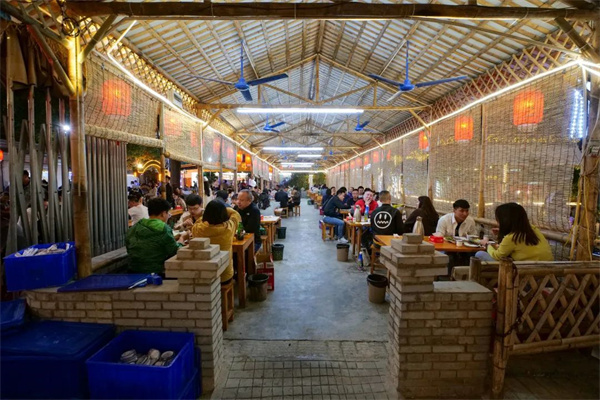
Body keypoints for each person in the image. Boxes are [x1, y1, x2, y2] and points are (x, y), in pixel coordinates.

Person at [126, 198, 187, 275]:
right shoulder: (163, 228)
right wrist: (182, 239)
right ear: (163, 214)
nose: (168, 216)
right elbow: (175, 251)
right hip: (155, 272)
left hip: (133, 271)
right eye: (168, 214)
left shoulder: (135, 227)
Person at [476, 203, 553, 262]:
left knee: (479, 254)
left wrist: (487, 244)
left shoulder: (511, 238)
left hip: (526, 273)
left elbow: (497, 256)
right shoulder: (533, 229)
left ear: (505, 221)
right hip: (549, 270)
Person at [192, 200, 242, 283]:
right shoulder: (229, 228)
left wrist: (208, 213)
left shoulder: (198, 228)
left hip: (205, 276)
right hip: (225, 275)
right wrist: (223, 210)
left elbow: (199, 220)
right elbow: (235, 214)